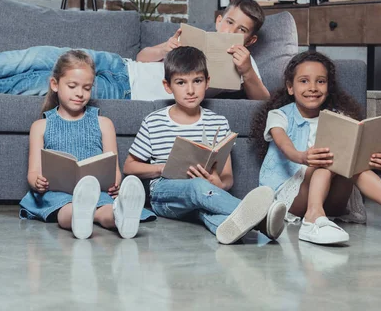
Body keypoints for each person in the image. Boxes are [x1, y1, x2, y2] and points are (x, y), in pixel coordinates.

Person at [0, 0, 270, 100]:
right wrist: (167, 46)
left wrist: (246, 69)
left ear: (249, 38)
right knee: (41, 55)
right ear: (220, 17)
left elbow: (263, 101)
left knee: (39, 81)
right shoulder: (195, 37)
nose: (230, 30)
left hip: (123, 90)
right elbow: (144, 58)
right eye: (228, 21)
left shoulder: (240, 64)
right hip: (121, 65)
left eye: (240, 30)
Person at [251, 51, 381, 245]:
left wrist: (375, 160)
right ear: (290, 87)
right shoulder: (279, 115)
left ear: (328, 87)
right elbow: (285, 145)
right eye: (304, 81)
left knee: (352, 163)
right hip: (293, 199)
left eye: (320, 81)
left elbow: (354, 156)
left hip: (333, 199)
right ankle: (312, 218)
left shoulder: (340, 116)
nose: (313, 88)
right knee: (328, 159)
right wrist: (303, 157)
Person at [123, 46, 287, 245]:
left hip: (204, 195)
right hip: (164, 196)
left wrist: (217, 182)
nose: (190, 90)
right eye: (181, 83)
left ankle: (229, 229)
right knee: (198, 188)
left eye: (197, 81)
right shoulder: (154, 121)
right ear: (168, 86)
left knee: (203, 206)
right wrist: (161, 168)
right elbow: (129, 166)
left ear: (207, 82)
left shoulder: (218, 122)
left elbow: (227, 179)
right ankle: (265, 216)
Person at [18, 49, 156, 239]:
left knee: (105, 208)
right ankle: (80, 216)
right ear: (55, 84)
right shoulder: (40, 126)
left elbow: (113, 168)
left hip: (95, 192)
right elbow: (33, 172)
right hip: (58, 193)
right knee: (65, 209)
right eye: (72, 86)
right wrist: (37, 182)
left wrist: (115, 183)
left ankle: (120, 216)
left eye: (87, 88)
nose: (80, 94)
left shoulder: (104, 123)